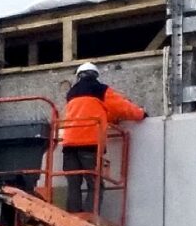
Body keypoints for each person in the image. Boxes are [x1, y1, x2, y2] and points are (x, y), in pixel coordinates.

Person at [61, 62, 146, 214]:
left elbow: (91, 111)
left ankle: (73, 215)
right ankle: (90, 215)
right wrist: (140, 113)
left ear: (78, 76)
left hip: (69, 145)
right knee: (95, 183)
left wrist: (110, 119)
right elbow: (122, 106)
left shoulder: (71, 94)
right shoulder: (100, 90)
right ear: (95, 75)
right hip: (90, 143)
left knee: (74, 183)